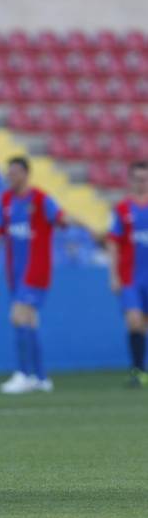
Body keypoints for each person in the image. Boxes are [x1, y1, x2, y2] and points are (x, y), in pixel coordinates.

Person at [0, 156, 70, 394]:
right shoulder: (5, 201)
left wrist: (68, 221)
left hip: (36, 271)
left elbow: (61, 219)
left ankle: (24, 374)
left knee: (18, 317)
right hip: (15, 273)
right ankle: (40, 377)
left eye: (15, 172)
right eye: (9, 172)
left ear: (26, 174)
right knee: (30, 321)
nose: (11, 176)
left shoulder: (40, 199)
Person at [106, 160, 148, 388]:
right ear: (131, 180)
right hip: (130, 277)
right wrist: (113, 275)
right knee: (134, 321)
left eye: (145, 178)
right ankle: (138, 371)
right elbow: (113, 243)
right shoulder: (122, 209)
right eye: (138, 178)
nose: (141, 183)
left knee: (143, 325)